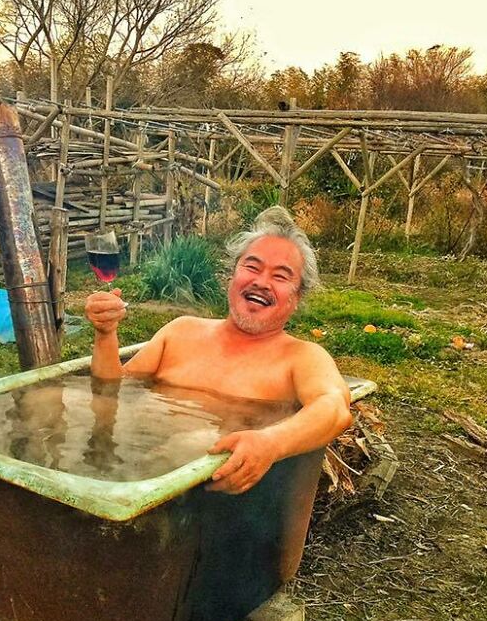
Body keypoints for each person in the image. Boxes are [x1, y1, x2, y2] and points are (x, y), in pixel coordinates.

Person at [84, 206, 351, 495]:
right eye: (252, 267)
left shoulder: (302, 357)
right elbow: (110, 389)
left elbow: (334, 409)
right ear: (231, 277)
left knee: (193, 441)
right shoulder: (181, 331)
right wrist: (106, 334)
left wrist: (270, 443)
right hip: (129, 458)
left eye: (281, 276)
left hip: (206, 493)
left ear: (297, 297)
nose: (261, 282)